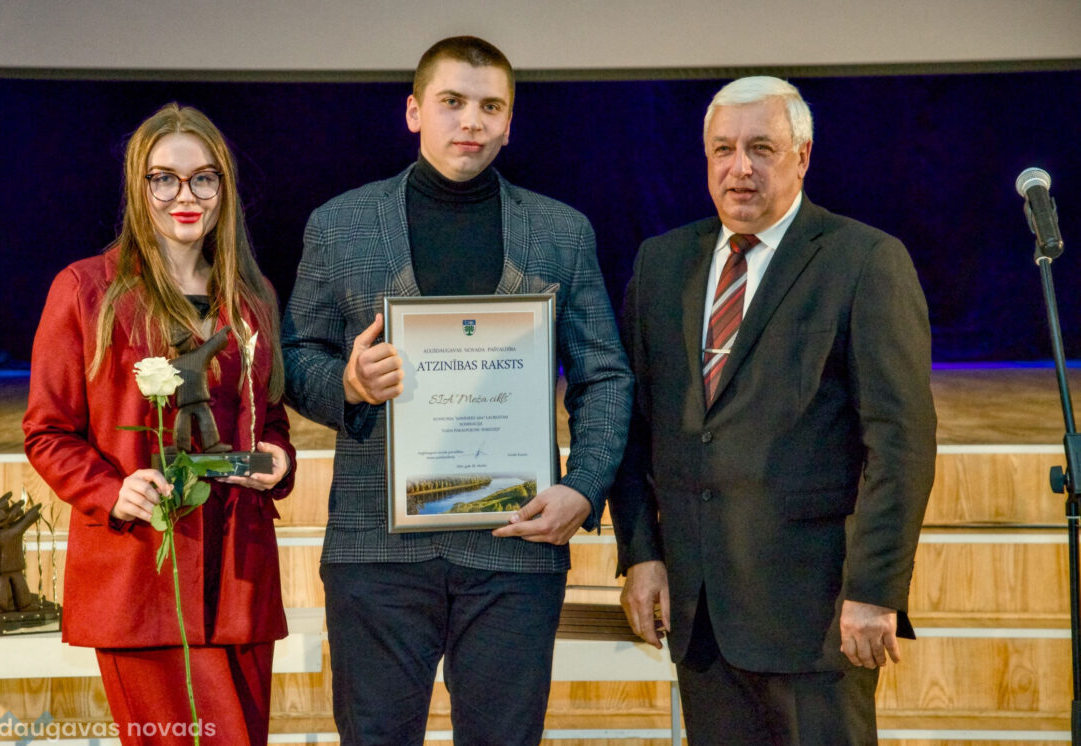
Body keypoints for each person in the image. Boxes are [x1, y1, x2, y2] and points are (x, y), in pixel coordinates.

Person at [281, 36, 633, 746]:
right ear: (414, 111)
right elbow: (295, 356)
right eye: (452, 102)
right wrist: (347, 383)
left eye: (490, 106)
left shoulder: (560, 233)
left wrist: (584, 486)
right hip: (376, 550)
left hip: (514, 547)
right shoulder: (340, 225)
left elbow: (605, 376)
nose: (471, 120)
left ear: (510, 122)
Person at [609, 76, 937, 745]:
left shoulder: (865, 261)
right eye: (723, 149)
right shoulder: (663, 263)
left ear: (802, 156)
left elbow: (900, 442)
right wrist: (641, 553)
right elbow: (633, 427)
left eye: (761, 148)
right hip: (701, 616)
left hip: (816, 617)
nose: (740, 168)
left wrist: (875, 589)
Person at [23, 103, 295, 745]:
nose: (185, 196)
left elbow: (270, 415)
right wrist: (111, 491)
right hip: (144, 579)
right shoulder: (86, 290)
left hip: (239, 579)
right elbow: (47, 432)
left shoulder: (252, 295)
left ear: (224, 187)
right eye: (164, 179)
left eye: (203, 178)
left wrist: (278, 460)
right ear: (137, 187)